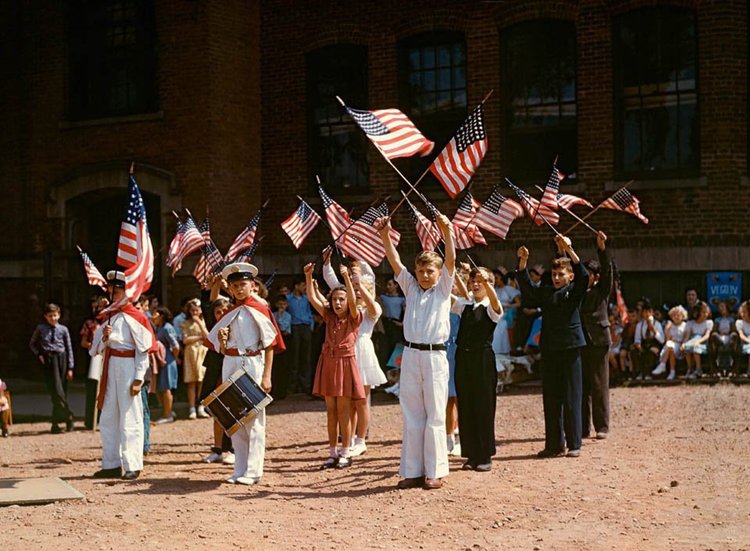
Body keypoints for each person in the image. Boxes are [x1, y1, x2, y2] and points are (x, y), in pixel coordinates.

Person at [375, 211, 455, 490]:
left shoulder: (444, 289)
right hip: (411, 355)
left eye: (429, 271)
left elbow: (451, 262)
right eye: (420, 271)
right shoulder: (410, 288)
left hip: (435, 356)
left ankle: (434, 471)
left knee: (434, 413)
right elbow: (395, 263)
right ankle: (412, 470)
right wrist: (385, 235)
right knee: (411, 412)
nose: (423, 275)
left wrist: (447, 232)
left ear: (437, 273)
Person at [207, 262, 280, 485]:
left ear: (252, 286)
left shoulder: (260, 310)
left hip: (251, 363)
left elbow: (270, 344)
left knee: (253, 418)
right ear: (229, 288)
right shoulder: (228, 312)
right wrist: (221, 341)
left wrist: (267, 375)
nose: (239, 289)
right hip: (230, 361)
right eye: (235, 285)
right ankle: (239, 468)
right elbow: (216, 345)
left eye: (243, 284)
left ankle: (253, 470)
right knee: (233, 417)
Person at [516, 235, 588, 459]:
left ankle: (574, 442)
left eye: (561, 274)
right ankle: (554, 444)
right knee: (551, 397)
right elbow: (528, 289)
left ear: (570, 276)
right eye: (554, 274)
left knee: (572, 396)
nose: (557, 278)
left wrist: (569, 249)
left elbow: (584, 276)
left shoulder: (575, 291)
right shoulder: (547, 292)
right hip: (549, 348)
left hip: (570, 348)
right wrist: (522, 263)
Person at [90, 270, 155, 480]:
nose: (112, 294)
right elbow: (95, 349)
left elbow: (143, 349)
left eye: (117, 290)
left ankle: (132, 464)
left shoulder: (136, 317)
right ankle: (111, 462)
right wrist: (105, 338)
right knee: (109, 417)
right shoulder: (109, 316)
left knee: (130, 417)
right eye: (110, 290)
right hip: (110, 368)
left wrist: (138, 377)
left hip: (128, 366)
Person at [322, 252, 386, 457]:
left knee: (362, 400)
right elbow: (332, 283)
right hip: (344, 355)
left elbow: (370, 301)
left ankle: (361, 439)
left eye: (361, 291)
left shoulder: (371, 310)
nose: (357, 294)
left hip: (363, 353)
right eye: (355, 291)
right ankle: (347, 440)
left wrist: (358, 284)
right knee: (347, 400)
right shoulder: (346, 311)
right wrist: (326, 263)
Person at [305, 262, 365, 469]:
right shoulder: (329, 317)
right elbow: (313, 298)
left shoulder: (354, 318)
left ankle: (346, 452)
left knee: (344, 411)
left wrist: (346, 278)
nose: (338, 303)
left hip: (345, 364)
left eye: (342, 299)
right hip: (328, 363)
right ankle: (332, 452)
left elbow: (352, 301)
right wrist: (308, 276)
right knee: (331, 410)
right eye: (335, 300)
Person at [454, 267, 502, 471]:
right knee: (466, 404)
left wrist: (488, 284)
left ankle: (485, 454)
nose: (475, 285)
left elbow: (497, 306)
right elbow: (447, 294)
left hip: (482, 359)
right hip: (463, 357)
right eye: (472, 281)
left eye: (479, 281)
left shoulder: (490, 306)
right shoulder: (465, 305)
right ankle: (471, 454)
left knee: (484, 405)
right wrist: (454, 272)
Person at [580, 231, 613, 440]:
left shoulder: (601, 290)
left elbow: (608, 271)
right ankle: (582, 428)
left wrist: (602, 249)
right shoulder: (575, 291)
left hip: (599, 340)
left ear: (595, 276)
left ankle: (601, 426)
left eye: (588, 273)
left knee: (599, 384)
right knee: (581, 386)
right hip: (580, 340)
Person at [30, 303, 75, 434]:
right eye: (50, 316)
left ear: (59, 315)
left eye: (55, 315)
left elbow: (69, 348)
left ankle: (56, 423)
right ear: (45, 316)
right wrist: (39, 354)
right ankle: (68, 417)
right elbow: (32, 344)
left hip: (62, 359)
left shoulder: (63, 329)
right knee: (55, 391)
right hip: (49, 361)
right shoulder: (40, 328)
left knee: (61, 391)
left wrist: (70, 367)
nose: (53, 318)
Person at [200, 296, 235, 465]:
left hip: (230, 369)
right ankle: (218, 449)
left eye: (224, 311)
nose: (221, 314)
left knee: (231, 410)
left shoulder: (235, 327)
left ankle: (233, 449)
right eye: (217, 312)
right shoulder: (214, 328)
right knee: (215, 409)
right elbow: (209, 299)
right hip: (215, 369)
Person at [81, 296, 108, 430]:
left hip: (108, 358)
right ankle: (90, 419)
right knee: (92, 389)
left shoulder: (109, 322)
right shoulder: (89, 324)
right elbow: (83, 342)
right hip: (95, 358)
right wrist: (95, 346)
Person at [181, 298, 209, 419]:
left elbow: (207, 337)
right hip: (191, 353)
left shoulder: (204, 322)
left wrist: (199, 324)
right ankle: (192, 408)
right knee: (191, 381)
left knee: (202, 380)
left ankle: (201, 406)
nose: (194, 313)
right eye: (192, 310)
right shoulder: (186, 323)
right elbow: (185, 340)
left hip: (202, 352)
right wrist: (199, 337)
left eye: (196, 310)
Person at [152, 307, 180, 423]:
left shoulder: (167, 328)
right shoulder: (159, 328)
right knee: (161, 387)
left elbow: (175, 346)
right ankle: (167, 411)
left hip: (168, 359)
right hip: (162, 360)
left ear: (161, 316)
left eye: (155, 314)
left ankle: (168, 415)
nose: (153, 316)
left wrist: (174, 358)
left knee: (166, 388)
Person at [286, 275, 314, 394]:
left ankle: (305, 385)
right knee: (294, 356)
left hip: (305, 327)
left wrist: (311, 325)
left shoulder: (306, 299)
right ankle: (293, 385)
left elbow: (309, 312)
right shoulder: (288, 299)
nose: (304, 288)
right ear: (296, 286)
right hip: (294, 327)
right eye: (302, 285)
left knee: (305, 357)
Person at [652, 306, 688, 380]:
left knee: (670, 347)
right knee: (670, 347)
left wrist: (683, 344)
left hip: (680, 345)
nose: (676, 317)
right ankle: (672, 372)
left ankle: (663, 365)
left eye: (678, 315)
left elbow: (686, 337)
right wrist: (667, 330)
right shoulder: (669, 325)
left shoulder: (685, 325)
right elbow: (667, 340)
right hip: (670, 345)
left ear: (682, 316)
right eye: (674, 315)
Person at [632, 300, 665, 380]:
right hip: (644, 344)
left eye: (649, 312)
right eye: (645, 312)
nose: (647, 314)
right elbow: (637, 339)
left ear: (652, 313)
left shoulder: (657, 324)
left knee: (651, 352)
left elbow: (662, 340)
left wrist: (653, 330)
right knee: (635, 352)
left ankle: (649, 373)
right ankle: (639, 373)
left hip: (655, 344)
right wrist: (639, 346)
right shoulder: (640, 325)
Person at [682, 301, 713, 379]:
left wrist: (698, 341)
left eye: (706, 312)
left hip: (702, 342)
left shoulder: (708, 323)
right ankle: (690, 368)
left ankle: (698, 369)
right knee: (686, 347)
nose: (705, 314)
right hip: (692, 340)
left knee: (696, 348)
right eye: (703, 312)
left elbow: (707, 335)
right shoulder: (691, 323)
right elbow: (687, 336)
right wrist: (684, 343)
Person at [271, 295, 292, 400]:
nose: (281, 306)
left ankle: (282, 392)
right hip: (275, 341)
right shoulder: (273, 315)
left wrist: (279, 317)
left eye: (283, 304)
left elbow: (284, 328)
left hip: (285, 340)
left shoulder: (288, 316)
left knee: (283, 367)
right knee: (274, 367)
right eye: (280, 304)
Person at [710, 300, 737, 377]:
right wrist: (719, 333)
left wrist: (728, 334)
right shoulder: (717, 319)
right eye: (719, 307)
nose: (720, 308)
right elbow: (714, 331)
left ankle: (725, 345)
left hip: (729, 336)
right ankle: (723, 345)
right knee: (715, 335)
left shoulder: (731, 319)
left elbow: (733, 330)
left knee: (733, 335)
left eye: (722, 307)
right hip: (719, 337)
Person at [736, 301, 750, 377]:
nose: (742, 314)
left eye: (745, 312)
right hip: (745, 342)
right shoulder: (740, 323)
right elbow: (741, 335)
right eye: (741, 312)